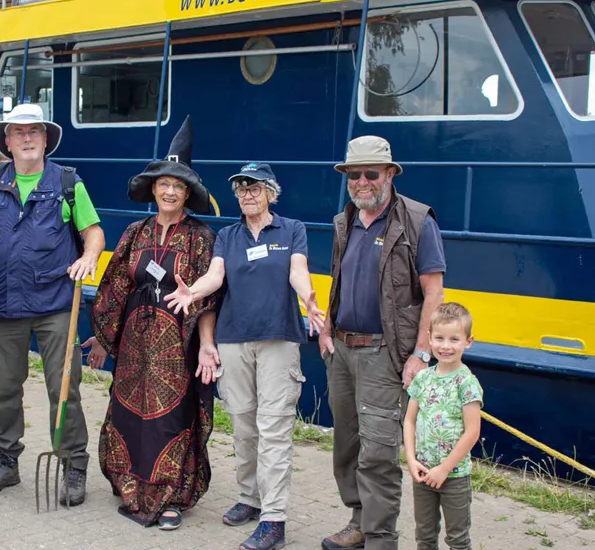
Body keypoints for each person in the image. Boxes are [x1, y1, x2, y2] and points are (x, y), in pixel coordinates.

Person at [164, 162, 325, 550]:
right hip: (234, 340)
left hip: (278, 339)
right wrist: (193, 292)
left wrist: (308, 297)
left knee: (273, 429)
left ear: (271, 192)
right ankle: (250, 498)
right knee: (244, 426)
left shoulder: (291, 230)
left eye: (254, 188)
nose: (247, 194)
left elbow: (297, 270)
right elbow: (216, 276)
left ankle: (274, 519)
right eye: (240, 189)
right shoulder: (228, 236)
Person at [0, 103, 106, 506]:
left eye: (35, 131)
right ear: (7, 141)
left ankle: (73, 465)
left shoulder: (68, 183)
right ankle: (6, 462)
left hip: (57, 303)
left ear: (45, 139)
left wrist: (88, 257)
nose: (27, 138)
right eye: (19, 132)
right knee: (4, 388)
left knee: (65, 388)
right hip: (5, 303)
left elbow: (93, 233)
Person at [81, 116, 223, 530]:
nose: (169, 191)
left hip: (177, 344)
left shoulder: (200, 238)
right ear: (153, 189)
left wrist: (208, 343)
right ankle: (132, 487)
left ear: (187, 193)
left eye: (178, 186)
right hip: (134, 346)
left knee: (172, 418)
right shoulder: (134, 232)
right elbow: (115, 289)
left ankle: (172, 498)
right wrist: (104, 340)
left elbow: (208, 297)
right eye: (164, 184)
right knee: (129, 414)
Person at [319, 135, 446, 550]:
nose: (361, 181)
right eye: (353, 174)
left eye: (371, 173)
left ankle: (379, 539)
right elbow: (340, 281)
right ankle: (358, 521)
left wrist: (421, 354)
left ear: (390, 174)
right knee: (347, 444)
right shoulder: (347, 220)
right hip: (342, 350)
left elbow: (434, 294)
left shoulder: (417, 220)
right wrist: (325, 329)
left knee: (378, 451)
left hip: (382, 354)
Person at [404, 302, 483, 550]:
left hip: (454, 476)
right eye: (439, 338)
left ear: (468, 341)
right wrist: (411, 459)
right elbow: (409, 420)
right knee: (424, 537)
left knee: (458, 539)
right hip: (423, 472)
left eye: (454, 339)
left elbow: (473, 432)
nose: (445, 346)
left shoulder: (466, 383)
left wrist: (444, 469)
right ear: (429, 338)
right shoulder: (423, 378)